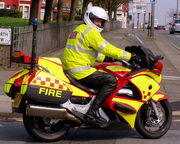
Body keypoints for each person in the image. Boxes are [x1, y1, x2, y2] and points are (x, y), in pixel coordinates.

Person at [62, 6, 132, 126]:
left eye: (101, 21)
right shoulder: (91, 31)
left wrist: (107, 58)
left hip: (72, 67)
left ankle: (93, 106)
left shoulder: (79, 29)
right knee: (111, 80)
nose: (99, 23)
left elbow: (87, 51)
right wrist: (129, 56)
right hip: (80, 70)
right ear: (89, 18)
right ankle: (92, 112)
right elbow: (106, 47)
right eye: (97, 20)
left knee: (102, 75)